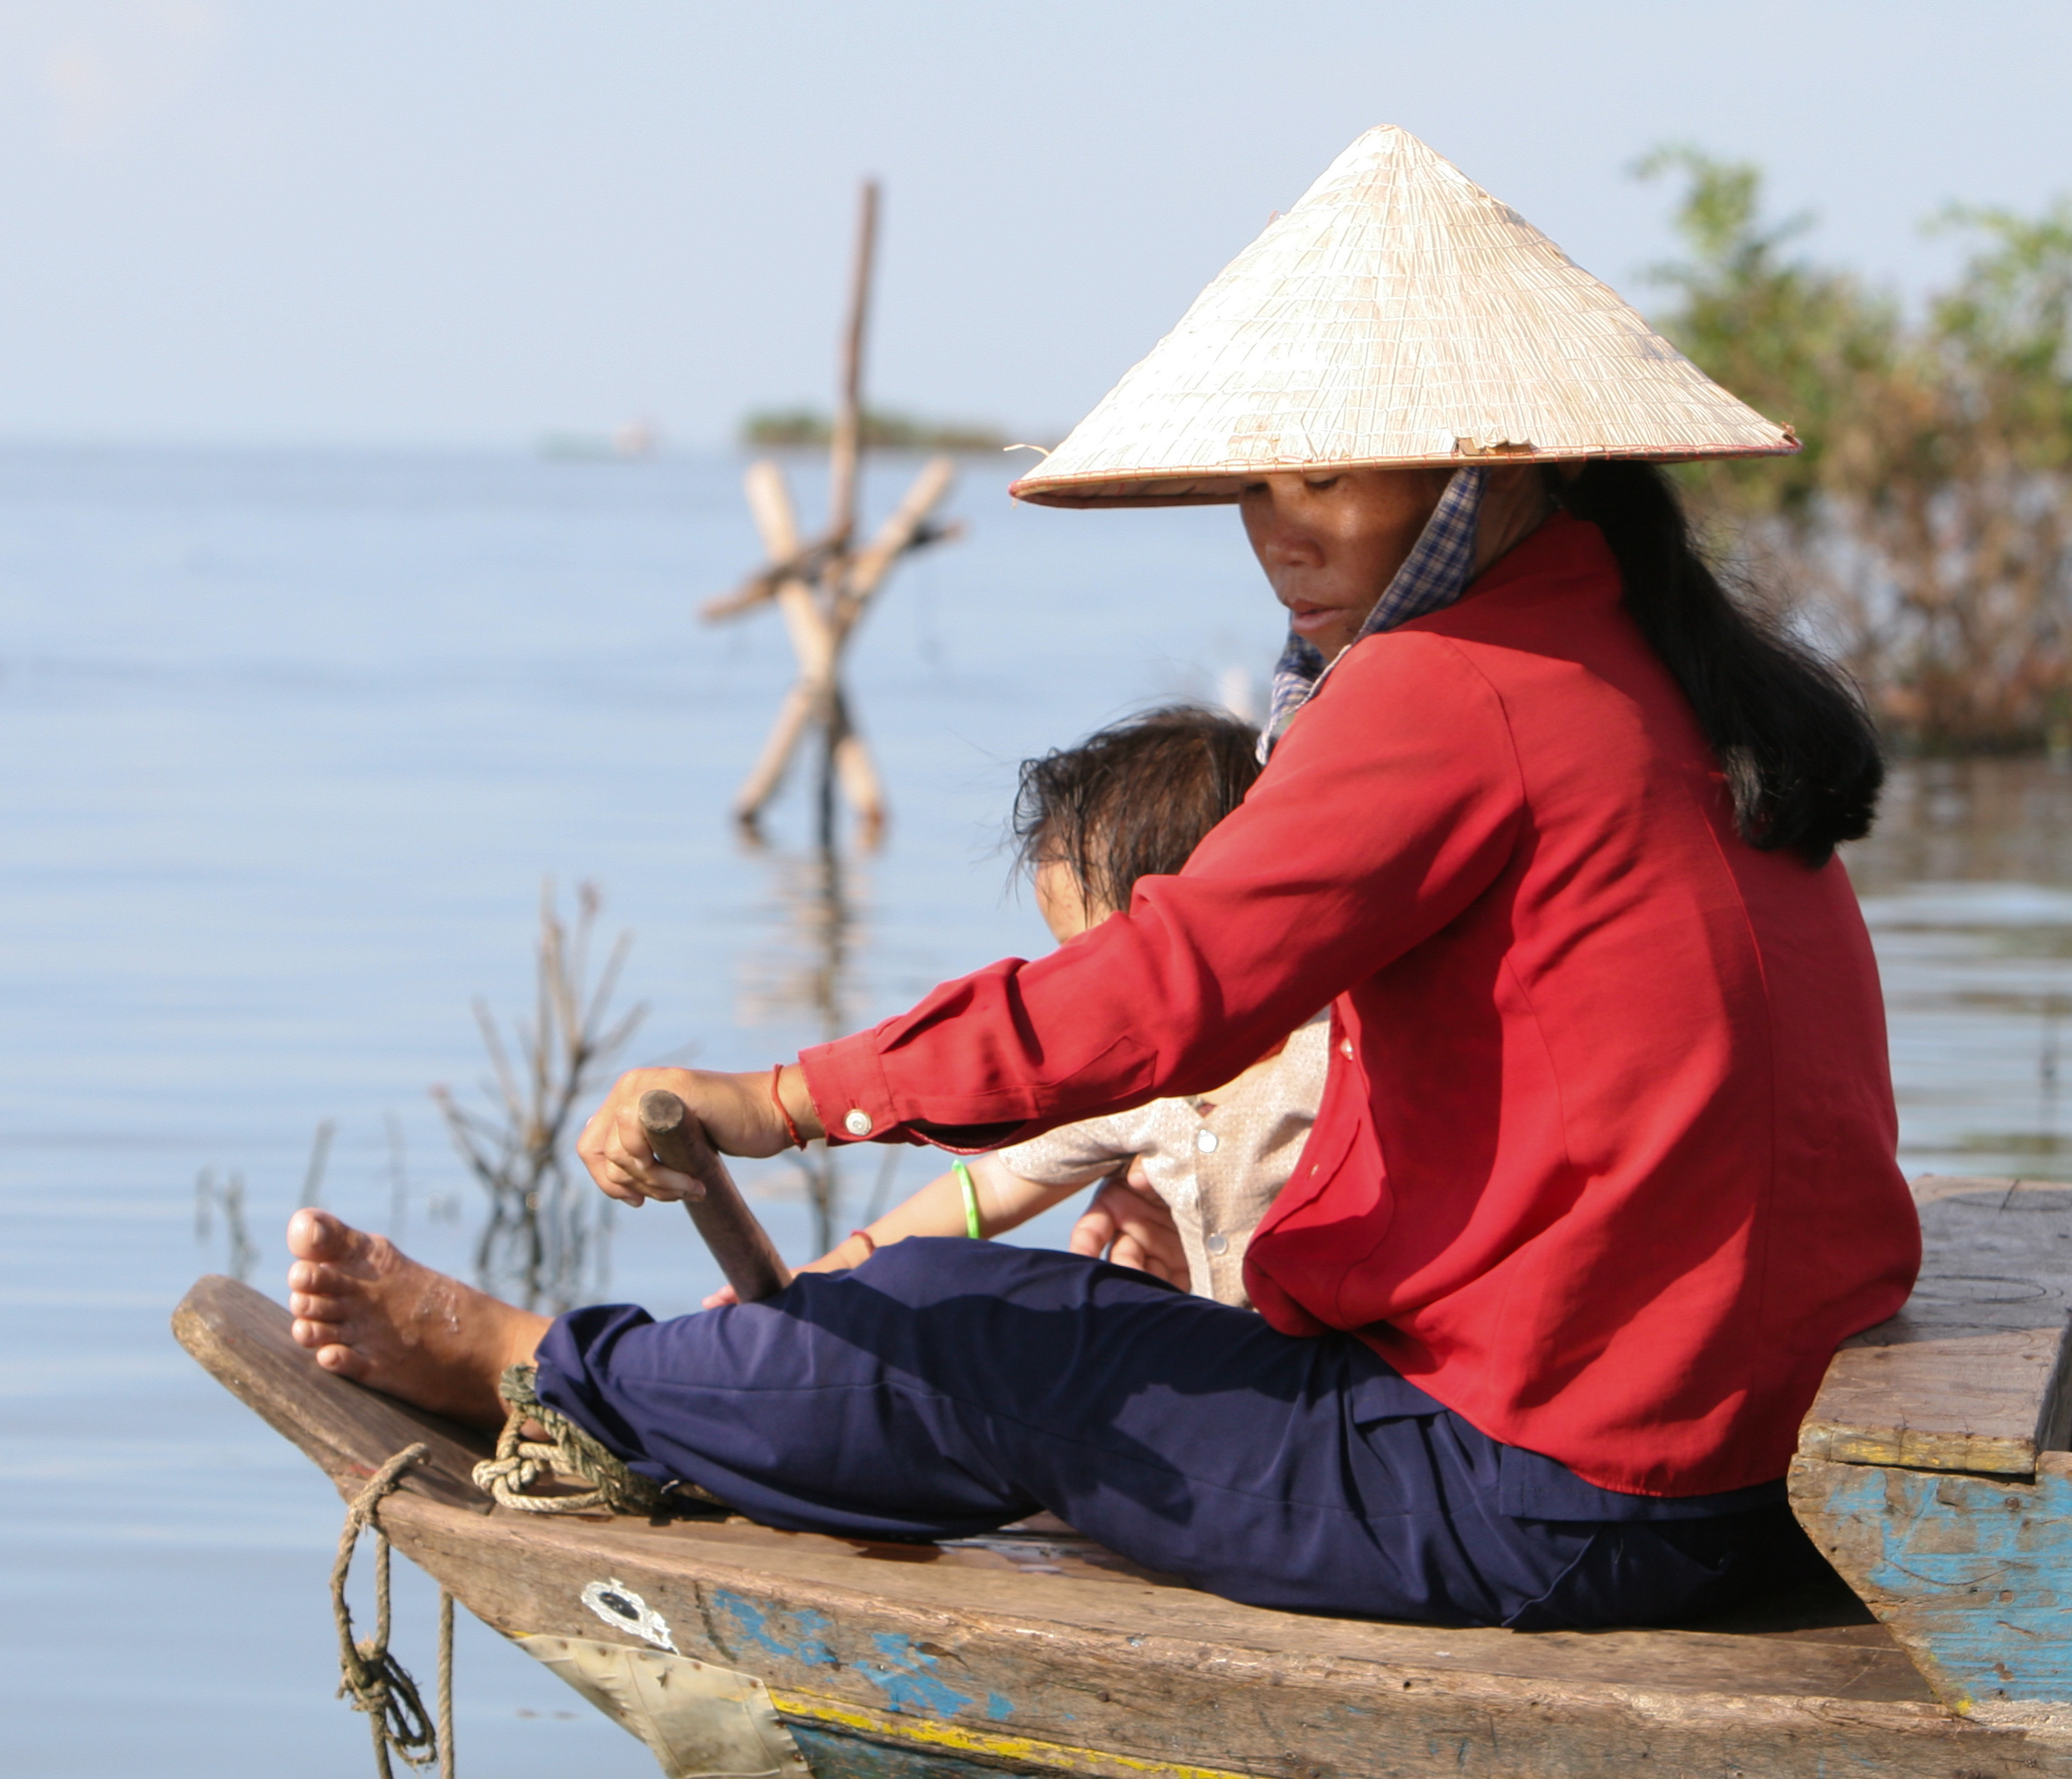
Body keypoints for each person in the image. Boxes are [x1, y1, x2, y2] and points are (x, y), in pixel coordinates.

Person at [288, 125, 1919, 1631]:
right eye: (1261, 476)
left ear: (1491, 466)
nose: (1280, 524)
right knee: (1032, 1305)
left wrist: (784, 1094)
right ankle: (677, 1385)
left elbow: (1155, 1001)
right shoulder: (1648, 666)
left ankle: (544, 1368)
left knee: (959, 1325)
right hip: (1731, 1469)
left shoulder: (1454, 688)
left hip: (1564, 1496)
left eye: (1331, 471)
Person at [710, 704, 1327, 1307]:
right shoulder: (1129, 1083)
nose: (1059, 988)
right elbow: (995, 1183)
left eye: (1087, 960)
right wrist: (832, 1271)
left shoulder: (1328, 1054)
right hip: (1232, 1361)